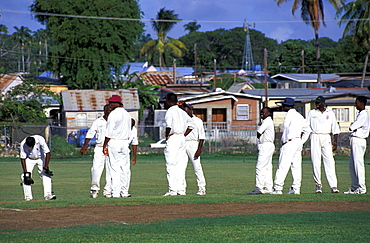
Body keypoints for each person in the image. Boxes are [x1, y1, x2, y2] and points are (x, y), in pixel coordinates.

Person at [270, 98, 309, 195]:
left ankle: (278, 188)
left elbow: (287, 131)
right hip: (297, 143)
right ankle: (296, 188)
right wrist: (301, 142)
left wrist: (287, 141)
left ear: (287, 106)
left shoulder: (289, 116)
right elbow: (307, 130)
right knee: (296, 167)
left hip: (289, 143)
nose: (282, 107)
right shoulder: (299, 116)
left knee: (283, 165)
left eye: (284, 105)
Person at [306, 96, 340, 193]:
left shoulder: (330, 113)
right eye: (316, 102)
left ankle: (333, 186)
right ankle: (318, 185)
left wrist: (335, 142)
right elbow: (306, 127)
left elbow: (335, 129)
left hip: (326, 137)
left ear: (323, 103)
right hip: (315, 136)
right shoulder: (311, 113)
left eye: (319, 102)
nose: (317, 104)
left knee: (329, 161)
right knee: (315, 161)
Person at [163, 93, 195, 196]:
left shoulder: (170, 111)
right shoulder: (182, 112)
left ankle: (172, 190)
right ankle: (181, 190)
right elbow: (191, 125)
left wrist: (167, 137)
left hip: (173, 137)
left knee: (171, 164)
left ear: (168, 101)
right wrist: (183, 135)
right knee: (181, 165)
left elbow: (168, 126)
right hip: (181, 138)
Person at [102, 95, 132, 198]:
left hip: (114, 142)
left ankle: (115, 193)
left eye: (112, 102)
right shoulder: (127, 114)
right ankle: (124, 192)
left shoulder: (113, 114)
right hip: (125, 142)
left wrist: (104, 145)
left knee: (114, 169)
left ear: (117, 104)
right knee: (125, 168)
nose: (110, 104)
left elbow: (109, 132)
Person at [80, 104, 112, 198]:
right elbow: (90, 134)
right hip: (99, 147)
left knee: (110, 170)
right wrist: (85, 146)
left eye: (111, 110)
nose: (110, 111)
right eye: (108, 110)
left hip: (111, 148)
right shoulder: (98, 121)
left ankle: (108, 191)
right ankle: (94, 190)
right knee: (96, 169)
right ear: (104, 111)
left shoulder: (114, 121)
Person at [344, 96, 369, 194]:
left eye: (357, 103)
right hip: (356, 140)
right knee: (352, 165)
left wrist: (352, 125)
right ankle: (354, 187)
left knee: (358, 164)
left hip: (359, 140)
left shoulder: (363, 115)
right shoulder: (360, 114)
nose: (355, 105)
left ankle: (361, 188)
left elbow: (353, 127)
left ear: (362, 103)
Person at [20, 135, 56, 201]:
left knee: (46, 175)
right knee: (25, 176)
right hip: (30, 159)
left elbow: (47, 153)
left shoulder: (40, 139)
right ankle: (28, 196)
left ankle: (48, 195)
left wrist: (46, 166)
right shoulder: (23, 144)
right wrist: (26, 172)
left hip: (41, 158)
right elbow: (23, 158)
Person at [181, 102, 207, 195]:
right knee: (181, 167)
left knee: (197, 167)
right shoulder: (183, 120)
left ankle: (202, 188)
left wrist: (199, 149)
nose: (185, 111)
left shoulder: (198, 121)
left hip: (193, 144)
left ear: (191, 110)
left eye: (186, 109)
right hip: (183, 144)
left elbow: (202, 137)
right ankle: (181, 189)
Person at [249, 107, 275, 194]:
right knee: (267, 167)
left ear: (269, 113)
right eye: (261, 113)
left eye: (263, 113)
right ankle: (268, 187)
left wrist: (259, 136)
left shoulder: (267, 121)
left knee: (260, 167)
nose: (261, 114)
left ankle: (259, 188)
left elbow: (258, 132)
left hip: (265, 145)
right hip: (270, 145)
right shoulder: (268, 121)